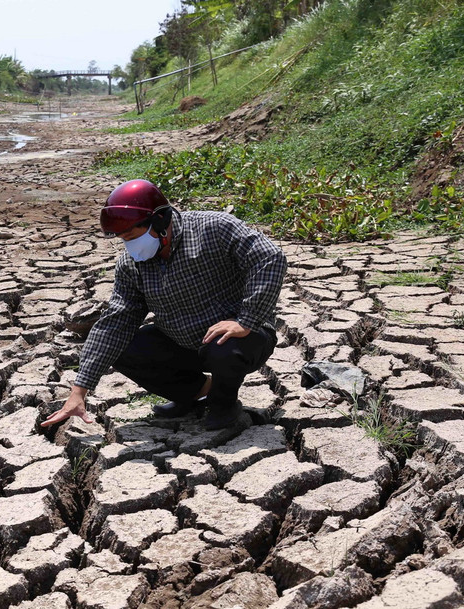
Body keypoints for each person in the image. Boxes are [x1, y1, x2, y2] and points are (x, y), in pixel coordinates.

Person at [41, 179, 287, 431]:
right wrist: (79, 390)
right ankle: (195, 395)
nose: (129, 245)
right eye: (122, 239)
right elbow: (114, 323)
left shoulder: (214, 228)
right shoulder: (132, 265)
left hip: (241, 338)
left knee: (223, 348)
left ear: (159, 221)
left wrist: (245, 320)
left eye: (132, 236)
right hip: (183, 341)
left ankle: (224, 406)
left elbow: (270, 258)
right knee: (124, 347)